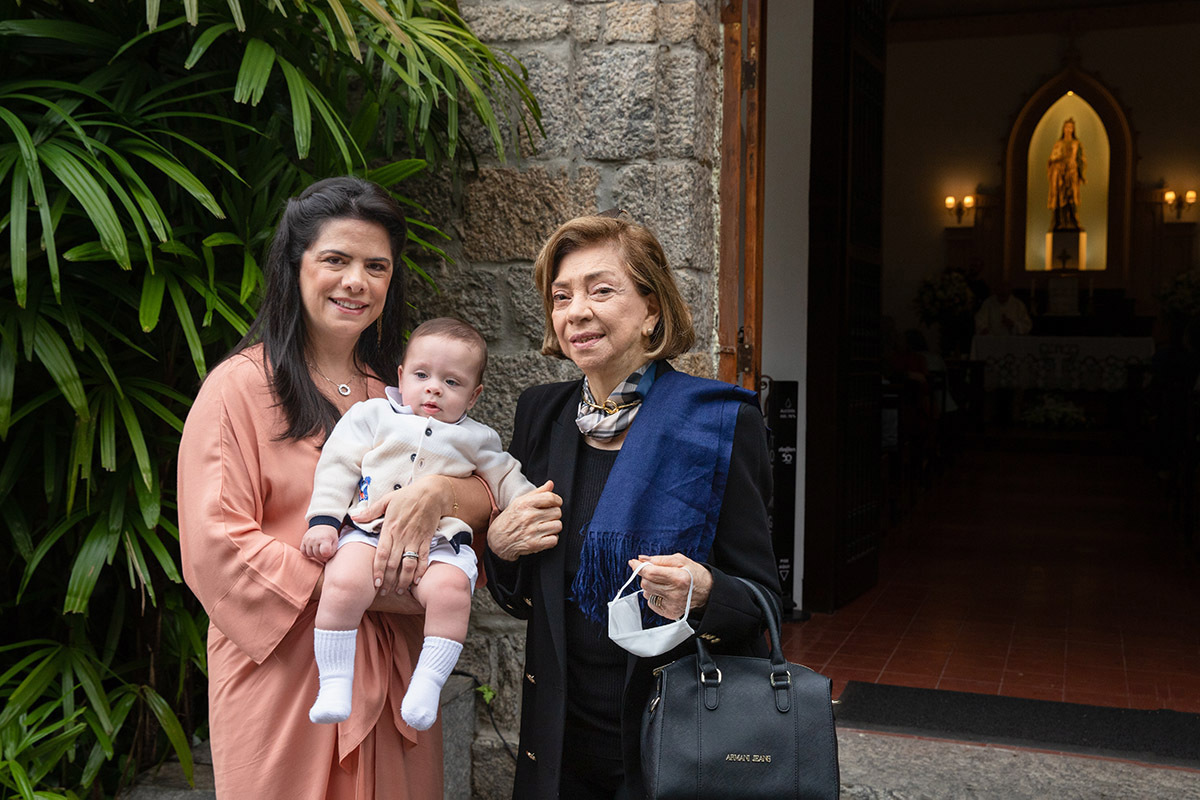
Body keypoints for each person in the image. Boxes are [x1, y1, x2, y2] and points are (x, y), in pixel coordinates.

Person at [177, 177, 492, 799]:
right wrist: (368, 589)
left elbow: (477, 489)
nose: (357, 281)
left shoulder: (399, 396)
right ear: (296, 266)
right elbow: (218, 546)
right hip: (286, 672)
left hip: (397, 676)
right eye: (336, 260)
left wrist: (446, 500)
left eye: (377, 266)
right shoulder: (238, 388)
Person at [483, 210, 780, 799]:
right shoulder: (541, 414)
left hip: (673, 739)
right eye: (561, 296)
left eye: (602, 290)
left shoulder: (719, 422)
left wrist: (705, 591)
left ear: (652, 310)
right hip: (560, 744)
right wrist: (498, 545)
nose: (576, 311)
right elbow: (518, 596)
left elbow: (761, 603)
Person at [303, 317, 534, 731]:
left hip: (442, 543)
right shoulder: (372, 416)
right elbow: (337, 465)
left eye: (452, 382)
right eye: (422, 375)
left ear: (475, 395)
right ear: (401, 375)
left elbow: (505, 478)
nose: (433, 388)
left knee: (451, 594)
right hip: (366, 530)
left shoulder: (477, 438)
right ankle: (334, 681)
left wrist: (531, 501)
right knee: (343, 582)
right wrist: (323, 521)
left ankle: (427, 683)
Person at [1047, 117, 1086, 230]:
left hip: (1071, 173)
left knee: (1071, 198)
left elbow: (1080, 160)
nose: (1068, 130)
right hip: (1059, 174)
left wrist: (1081, 173)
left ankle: (1073, 221)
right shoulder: (1058, 144)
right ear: (1063, 129)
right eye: (1066, 127)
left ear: (1073, 129)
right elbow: (1052, 158)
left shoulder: (1076, 144)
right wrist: (1057, 164)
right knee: (1059, 199)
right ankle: (1058, 222)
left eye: (1070, 127)